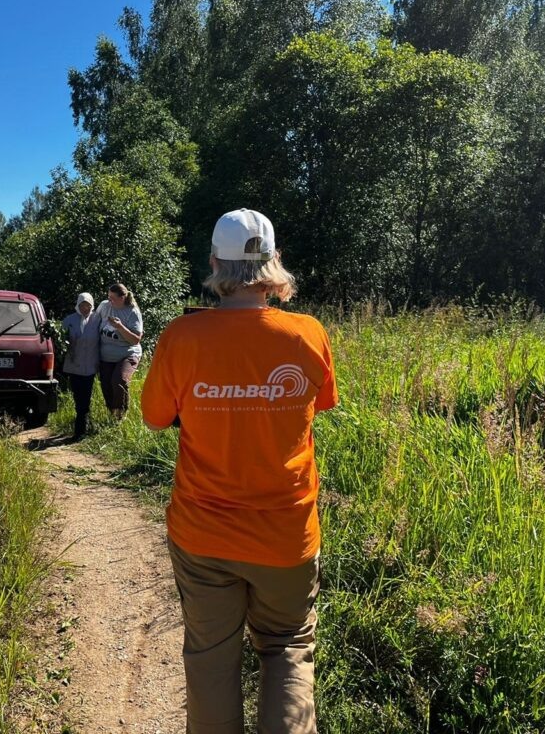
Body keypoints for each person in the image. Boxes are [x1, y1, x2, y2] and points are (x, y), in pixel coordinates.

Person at [140, 209, 338, 733]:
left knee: (210, 657)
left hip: (203, 535)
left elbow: (156, 417)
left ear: (213, 263)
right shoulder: (307, 334)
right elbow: (318, 405)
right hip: (286, 534)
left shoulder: (182, 337)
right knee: (288, 649)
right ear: (274, 262)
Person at [95, 282, 144, 420]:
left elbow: (135, 340)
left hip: (128, 353)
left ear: (122, 298)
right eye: (108, 297)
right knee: (106, 385)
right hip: (106, 355)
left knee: (119, 380)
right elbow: (94, 322)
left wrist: (120, 327)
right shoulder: (104, 306)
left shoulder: (132, 311)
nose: (109, 300)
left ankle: (120, 415)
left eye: (113, 298)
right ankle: (112, 414)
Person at [61, 292, 100, 440]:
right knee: (78, 397)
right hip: (74, 365)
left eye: (88, 305)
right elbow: (61, 339)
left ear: (92, 306)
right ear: (78, 305)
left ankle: (82, 430)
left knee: (86, 396)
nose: (85, 308)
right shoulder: (69, 320)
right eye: (82, 305)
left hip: (90, 364)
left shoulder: (98, 319)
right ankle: (80, 429)